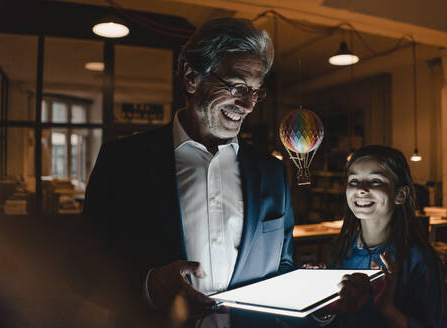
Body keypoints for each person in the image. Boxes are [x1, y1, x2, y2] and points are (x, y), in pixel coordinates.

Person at [83, 18, 295, 327]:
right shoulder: (122, 162)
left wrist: (327, 308)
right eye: (237, 87)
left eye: (255, 91)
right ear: (191, 76)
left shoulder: (273, 173)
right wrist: (149, 286)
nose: (249, 105)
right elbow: (81, 266)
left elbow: (283, 268)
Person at [323, 145, 447, 327]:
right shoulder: (341, 250)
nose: (361, 189)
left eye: (375, 181)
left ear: (401, 194)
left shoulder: (419, 259)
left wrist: (387, 309)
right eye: (354, 180)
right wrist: (323, 307)